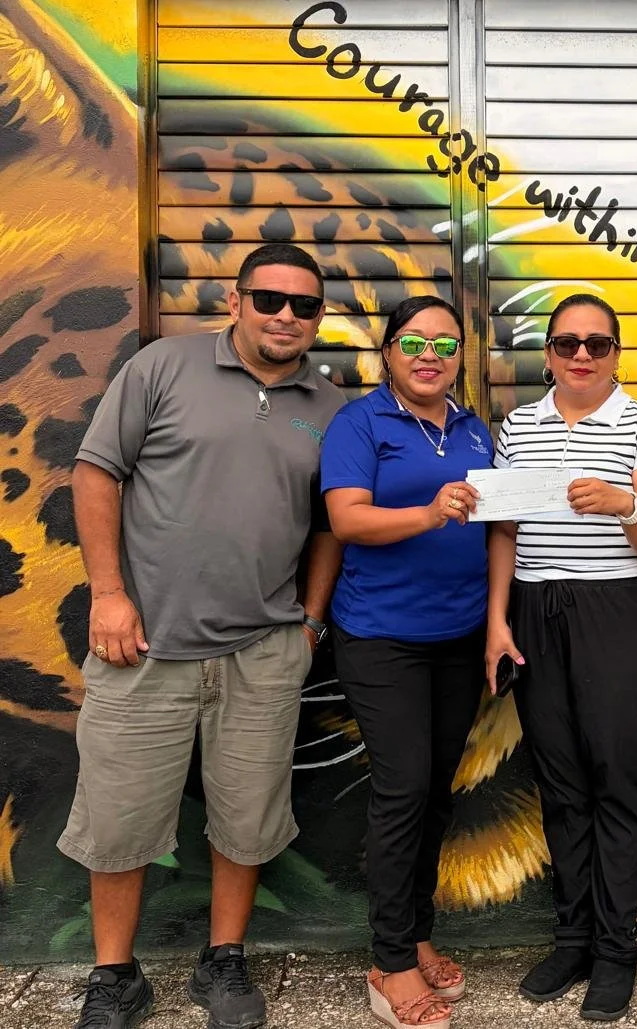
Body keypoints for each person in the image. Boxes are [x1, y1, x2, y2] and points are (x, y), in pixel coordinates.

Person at [61, 243, 345, 1029]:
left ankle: (224, 960)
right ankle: (114, 974)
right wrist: (109, 593)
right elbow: (95, 472)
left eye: (305, 305)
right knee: (118, 818)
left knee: (247, 815)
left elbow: (329, 524)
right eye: (269, 298)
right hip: (141, 644)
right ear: (235, 299)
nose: (286, 315)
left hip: (263, 648)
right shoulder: (162, 367)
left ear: (320, 318)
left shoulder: (328, 405)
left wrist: (311, 621)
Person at [485, 293, 637, 1022]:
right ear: (547, 352)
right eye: (567, 342)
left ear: (616, 353)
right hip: (536, 611)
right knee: (560, 781)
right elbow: (503, 527)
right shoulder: (520, 424)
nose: (581, 355)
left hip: (616, 611)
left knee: (620, 781)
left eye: (597, 343)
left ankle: (616, 949)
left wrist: (625, 505)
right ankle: (573, 937)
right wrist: (497, 622)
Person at [321, 296, 493, 1029]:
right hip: (380, 635)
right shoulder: (359, 423)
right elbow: (345, 518)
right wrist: (430, 511)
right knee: (400, 790)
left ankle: (416, 932)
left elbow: (497, 526)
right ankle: (389, 962)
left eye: (445, 343)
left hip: (459, 637)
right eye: (414, 342)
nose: (431, 354)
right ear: (388, 351)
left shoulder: (475, 428)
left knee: (436, 792)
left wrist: (496, 628)